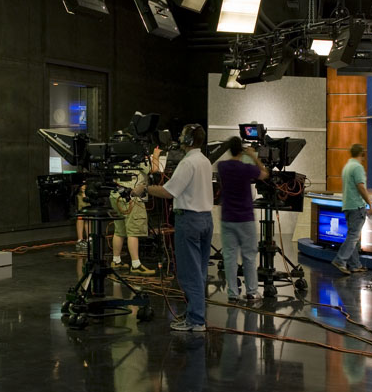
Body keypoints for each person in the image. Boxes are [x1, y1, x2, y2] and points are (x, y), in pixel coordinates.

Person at [146, 124, 213, 332]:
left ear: (188, 140)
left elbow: (169, 191)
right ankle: (195, 313)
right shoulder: (204, 161)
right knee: (199, 271)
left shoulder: (188, 163)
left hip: (189, 221)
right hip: (205, 220)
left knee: (188, 273)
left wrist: (144, 189)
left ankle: (196, 320)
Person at [216, 136, 268, 301]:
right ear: (241, 150)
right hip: (245, 218)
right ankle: (252, 292)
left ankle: (232, 293)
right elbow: (264, 174)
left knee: (230, 257)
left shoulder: (222, 166)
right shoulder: (246, 168)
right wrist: (254, 156)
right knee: (249, 256)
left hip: (227, 218)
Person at [331, 143, 372, 275]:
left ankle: (355, 265)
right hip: (356, 206)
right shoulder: (358, 167)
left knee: (353, 236)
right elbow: (360, 186)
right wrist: (370, 203)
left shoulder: (347, 166)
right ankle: (340, 260)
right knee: (353, 237)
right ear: (362, 154)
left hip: (347, 206)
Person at [110, 155, 155, 273]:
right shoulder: (138, 159)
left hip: (116, 196)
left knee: (119, 230)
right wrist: (156, 154)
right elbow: (154, 169)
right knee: (133, 231)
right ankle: (136, 265)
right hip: (132, 197)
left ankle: (116, 260)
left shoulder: (115, 158)